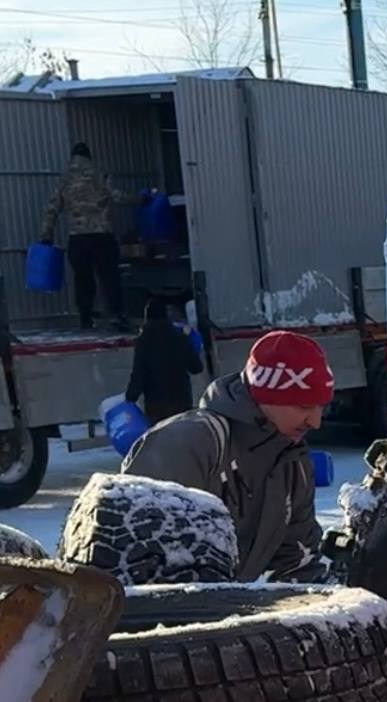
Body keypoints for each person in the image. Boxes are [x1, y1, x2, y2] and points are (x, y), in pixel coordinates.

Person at [122, 329, 331, 582]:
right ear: (266, 395)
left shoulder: (291, 462)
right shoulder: (187, 445)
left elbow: (298, 564)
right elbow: (134, 556)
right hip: (163, 614)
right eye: (304, 406)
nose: (315, 421)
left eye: (321, 406)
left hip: (220, 610)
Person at [40, 143, 127, 332]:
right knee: (109, 277)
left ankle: (85, 318)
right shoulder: (99, 174)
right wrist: (140, 199)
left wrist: (46, 235)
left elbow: (51, 209)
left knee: (83, 279)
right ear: (89, 156)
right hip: (102, 236)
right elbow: (117, 196)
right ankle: (116, 315)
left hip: (78, 239)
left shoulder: (64, 179)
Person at [125, 298, 203, 424]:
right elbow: (196, 368)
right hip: (181, 402)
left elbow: (139, 373)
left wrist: (131, 397)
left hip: (156, 406)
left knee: (161, 440)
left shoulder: (143, 342)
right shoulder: (179, 338)